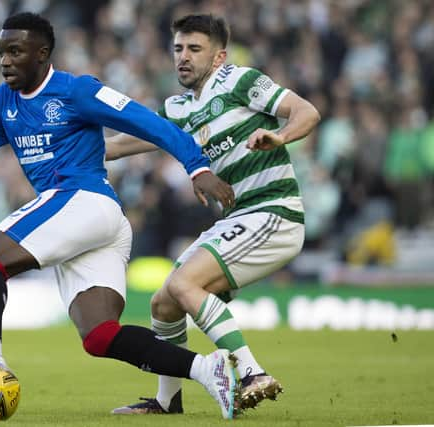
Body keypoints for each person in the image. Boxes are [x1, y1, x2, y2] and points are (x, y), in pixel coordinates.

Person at [0, 12, 240, 419]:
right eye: (0, 52)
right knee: (100, 336)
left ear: (43, 53)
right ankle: (209, 370)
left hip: (84, 200)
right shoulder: (3, 102)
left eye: (15, 51)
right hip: (91, 223)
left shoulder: (76, 90)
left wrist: (198, 167)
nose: (6, 61)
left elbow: (150, 124)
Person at [106, 14, 320, 414]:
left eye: (194, 49)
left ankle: (253, 373)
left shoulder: (240, 81)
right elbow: (119, 146)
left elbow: (306, 112)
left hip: (274, 212)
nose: (182, 57)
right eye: (177, 49)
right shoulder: (179, 108)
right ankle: (168, 402)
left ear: (219, 56)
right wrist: (62, 146)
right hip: (239, 220)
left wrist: (280, 135)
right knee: (163, 303)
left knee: (186, 284)